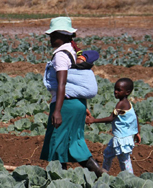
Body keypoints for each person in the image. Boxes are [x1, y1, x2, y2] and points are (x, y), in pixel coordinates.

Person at [40, 16, 105, 177]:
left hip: (66, 105)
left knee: (57, 144)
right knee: (74, 142)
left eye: (54, 36)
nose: (51, 39)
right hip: (77, 104)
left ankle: (59, 182)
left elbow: (62, 84)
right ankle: (98, 172)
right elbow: (74, 83)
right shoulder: (72, 50)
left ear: (63, 36)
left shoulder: (61, 55)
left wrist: (57, 111)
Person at [85, 78, 141, 174]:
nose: (115, 92)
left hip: (122, 140)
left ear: (127, 92)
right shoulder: (128, 103)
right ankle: (104, 173)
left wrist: (93, 120)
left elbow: (111, 118)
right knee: (107, 154)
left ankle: (130, 179)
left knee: (125, 162)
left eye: (119, 90)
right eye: (115, 89)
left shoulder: (121, 104)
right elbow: (135, 117)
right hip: (117, 138)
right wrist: (137, 132)